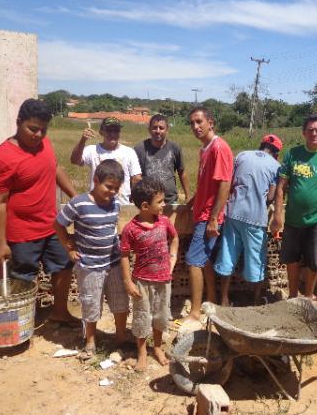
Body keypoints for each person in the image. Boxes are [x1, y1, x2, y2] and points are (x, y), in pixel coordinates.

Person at [0, 98, 78, 326]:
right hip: (22, 232)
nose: (37, 135)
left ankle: (59, 312)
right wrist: (2, 242)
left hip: (52, 225)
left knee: (64, 265)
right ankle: (22, 323)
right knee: (23, 277)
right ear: (19, 123)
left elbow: (56, 168)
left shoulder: (45, 145)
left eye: (43, 130)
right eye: (32, 129)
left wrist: (75, 198)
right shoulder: (1, 158)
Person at [54, 159, 129, 359]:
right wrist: (69, 247)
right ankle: (90, 340)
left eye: (116, 188)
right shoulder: (79, 203)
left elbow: (113, 228)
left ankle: (121, 336)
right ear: (95, 180)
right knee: (91, 303)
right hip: (90, 265)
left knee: (120, 300)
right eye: (108, 187)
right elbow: (59, 224)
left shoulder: (115, 203)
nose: (112, 192)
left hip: (113, 262)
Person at [271, 115, 317, 300]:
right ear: (304, 133)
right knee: (291, 259)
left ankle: (309, 296)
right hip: (293, 218)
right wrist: (278, 215)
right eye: (310, 130)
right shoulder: (293, 154)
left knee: (314, 261)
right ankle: (292, 296)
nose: (314, 133)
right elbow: (281, 187)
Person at [213, 134, 283, 306]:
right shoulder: (276, 166)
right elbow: (272, 196)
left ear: (261, 146)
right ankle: (256, 300)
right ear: (276, 153)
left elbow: (229, 182)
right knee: (256, 259)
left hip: (233, 212)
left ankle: (224, 299)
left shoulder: (242, 155)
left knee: (227, 254)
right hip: (255, 218)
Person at [120, 178, 179, 369]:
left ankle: (158, 347)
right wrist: (128, 282)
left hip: (163, 279)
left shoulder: (164, 222)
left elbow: (175, 237)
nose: (164, 205)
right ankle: (143, 351)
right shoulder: (130, 229)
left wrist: (173, 258)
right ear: (145, 205)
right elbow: (124, 255)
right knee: (141, 316)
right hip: (141, 282)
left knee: (161, 315)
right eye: (160, 202)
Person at [185, 106, 233, 320]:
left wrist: (213, 218)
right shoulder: (204, 149)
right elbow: (207, 184)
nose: (195, 127)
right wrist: (192, 202)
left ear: (211, 123)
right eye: (192, 123)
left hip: (208, 217)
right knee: (203, 259)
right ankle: (211, 298)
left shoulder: (219, 148)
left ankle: (195, 312)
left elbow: (225, 184)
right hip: (201, 213)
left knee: (193, 261)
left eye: (199, 122)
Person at [70, 116, 141, 205]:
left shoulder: (129, 152)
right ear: (101, 132)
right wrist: (83, 140)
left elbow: (136, 179)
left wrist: (136, 199)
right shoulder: (92, 150)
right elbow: (75, 160)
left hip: (122, 204)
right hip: (96, 205)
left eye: (116, 131)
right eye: (109, 130)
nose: (112, 134)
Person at [133, 114, 190, 204]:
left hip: (170, 200)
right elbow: (135, 176)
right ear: (149, 129)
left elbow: (182, 172)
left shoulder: (175, 148)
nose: (158, 131)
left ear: (167, 130)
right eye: (154, 128)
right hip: (148, 201)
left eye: (161, 128)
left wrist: (188, 196)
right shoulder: (140, 149)